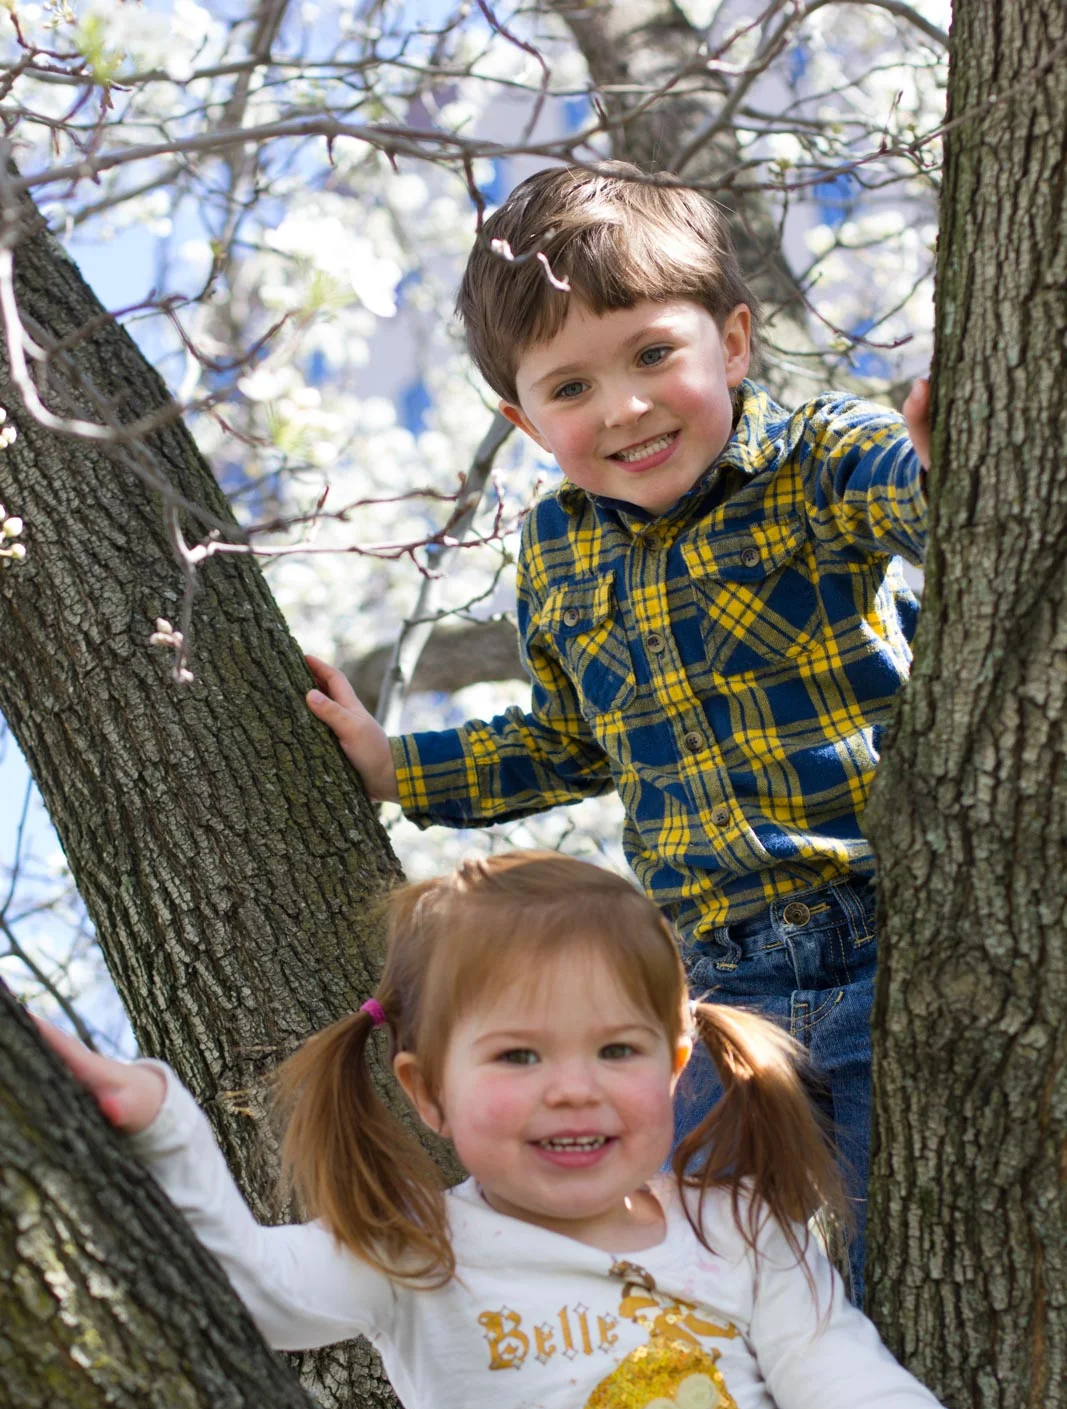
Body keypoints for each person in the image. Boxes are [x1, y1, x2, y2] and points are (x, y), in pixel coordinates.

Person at [42, 852, 1066, 1409]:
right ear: (427, 1092)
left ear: (673, 1063)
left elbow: (865, 1407)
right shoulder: (421, 1253)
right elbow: (245, 1300)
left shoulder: (738, 1233)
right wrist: (165, 1128)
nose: (572, 1090)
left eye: (615, 1049)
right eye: (517, 1057)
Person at [304, 162, 933, 1302]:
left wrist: (941, 460)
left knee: (911, 1269)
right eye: (571, 386)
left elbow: (921, 499)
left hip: (888, 937)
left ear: (730, 342)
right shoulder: (554, 552)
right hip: (711, 989)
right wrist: (400, 768)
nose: (625, 408)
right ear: (523, 417)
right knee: (682, 1274)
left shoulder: (814, 457)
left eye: (652, 355)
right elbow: (562, 739)